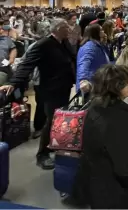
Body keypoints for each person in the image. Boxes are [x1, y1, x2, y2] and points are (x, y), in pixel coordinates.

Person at [73, 65, 128, 209]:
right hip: (115, 192)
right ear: (117, 87)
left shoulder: (93, 108)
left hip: (95, 182)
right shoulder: (121, 119)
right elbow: (126, 168)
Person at [0, 19, 75, 169]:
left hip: (63, 87)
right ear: (58, 28)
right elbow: (26, 64)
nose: (69, 29)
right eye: (66, 27)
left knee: (58, 119)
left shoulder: (64, 42)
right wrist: (14, 83)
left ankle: (54, 145)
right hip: (49, 89)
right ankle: (42, 154)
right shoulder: (43, 45)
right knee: (52, 120)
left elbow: (71, 59)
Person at [77, 24, 110, 93]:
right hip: (91, 85)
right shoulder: (89, 46)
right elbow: (84, 62)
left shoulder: (97, 44)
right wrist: (83, 80)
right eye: (101, 30)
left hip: (98, 82)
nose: (103, 31)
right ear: (95, 33)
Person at [0, 20, 17, 85]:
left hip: (4, 66)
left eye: (1, 29)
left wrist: (10, 60)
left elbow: (13, 50)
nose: (1, 30)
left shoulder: (6, 39)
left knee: (14, 84)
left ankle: (18, 95)